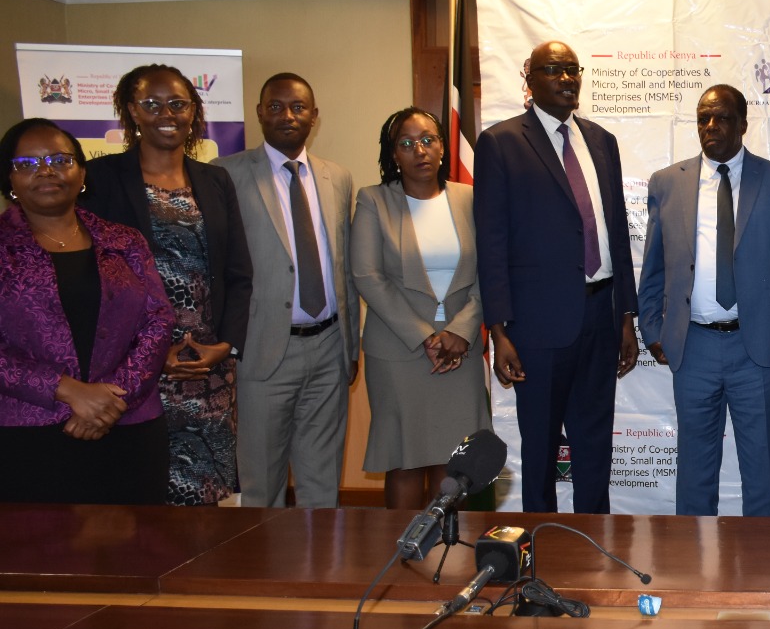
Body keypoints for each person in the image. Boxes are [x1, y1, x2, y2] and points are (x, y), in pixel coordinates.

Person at [475, 40, 639, 513]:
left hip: (601, 316)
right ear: (529, 77)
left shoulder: (601, 141)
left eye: (573, 69)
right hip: (537, 326)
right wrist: (499, 330)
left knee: (594, 448)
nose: (567, 79)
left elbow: (615, 236)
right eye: (553, 70)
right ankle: (540, 556)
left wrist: (626, 315)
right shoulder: (501, 142)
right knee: (542, 450)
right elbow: (493, 243)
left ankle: (595, 550)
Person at [83, 64, 252, 506]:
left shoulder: (215, 180)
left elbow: (238, 273)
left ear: (194, 112)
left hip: (206, 366)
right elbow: (95, 278)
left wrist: (227, 345)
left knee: (204, 494)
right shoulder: (99, 180)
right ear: (130, 112)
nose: (167, 113)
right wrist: (151, 357)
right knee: (142, 495)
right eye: (151, 104)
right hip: (135, 370)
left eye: (178, 104)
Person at [638, 84, 770, 517]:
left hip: (759, 349)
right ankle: (693, 571)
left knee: (763, 470)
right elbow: (653, 266)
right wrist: (653, 329)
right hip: (693, 348)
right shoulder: (666, 183)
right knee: (694, 469)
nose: (711, 126)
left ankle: (763, 568)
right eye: (703, 118)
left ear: (743, 124)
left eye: (722, 117)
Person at [0, 118, 173, 504]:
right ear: (9, 180)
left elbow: (158, 320)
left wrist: (112, 399)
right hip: (29, 436)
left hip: (128, 425)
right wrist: (67, 390)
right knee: (40, 557)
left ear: (81, 172)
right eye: (27, 164)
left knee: (137, 554)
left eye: (60, 160)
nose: (46, 171)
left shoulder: (124, 240)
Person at [216, 73, 358, 508]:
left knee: (322, 480)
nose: (287, 116)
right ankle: (265, 572)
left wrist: (352, 348)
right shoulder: (227, 174)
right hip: (264, 350)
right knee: (261, 483)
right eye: (275, 106)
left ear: (314, 116)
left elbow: (344, 266)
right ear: (259, 113)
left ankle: (319, 572)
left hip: (330, 348)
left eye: (298, 107)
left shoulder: (338, 177)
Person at [352, 107, 491, 510]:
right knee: (404, 461)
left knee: (455, 464)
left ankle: (446, 559)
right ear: (393, 153)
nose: (420, 151)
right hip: (399, 352)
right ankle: (406, 559)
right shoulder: (374, 201)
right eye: (407, 143)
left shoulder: (470, 197)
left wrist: (461, 332)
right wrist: (425, 336)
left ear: (443, 147)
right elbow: (367, 276)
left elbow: (490, 272)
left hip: (459, 352)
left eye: (428, 139)